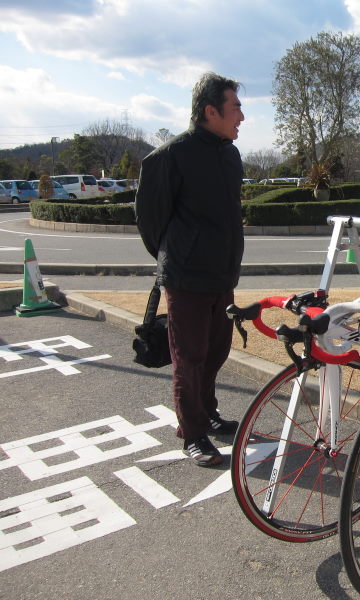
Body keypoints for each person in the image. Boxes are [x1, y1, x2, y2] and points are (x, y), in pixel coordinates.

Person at [135, 72, 245, 467]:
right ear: (210, 111)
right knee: (189, 357)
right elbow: (150, 221)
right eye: (235, 108)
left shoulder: (230, 154)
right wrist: (174, 258)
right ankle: (193, 433)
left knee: (216, 352)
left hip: (222, 275)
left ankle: (208, 412)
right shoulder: (170, 156)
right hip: (186, 278)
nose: (242, 117)